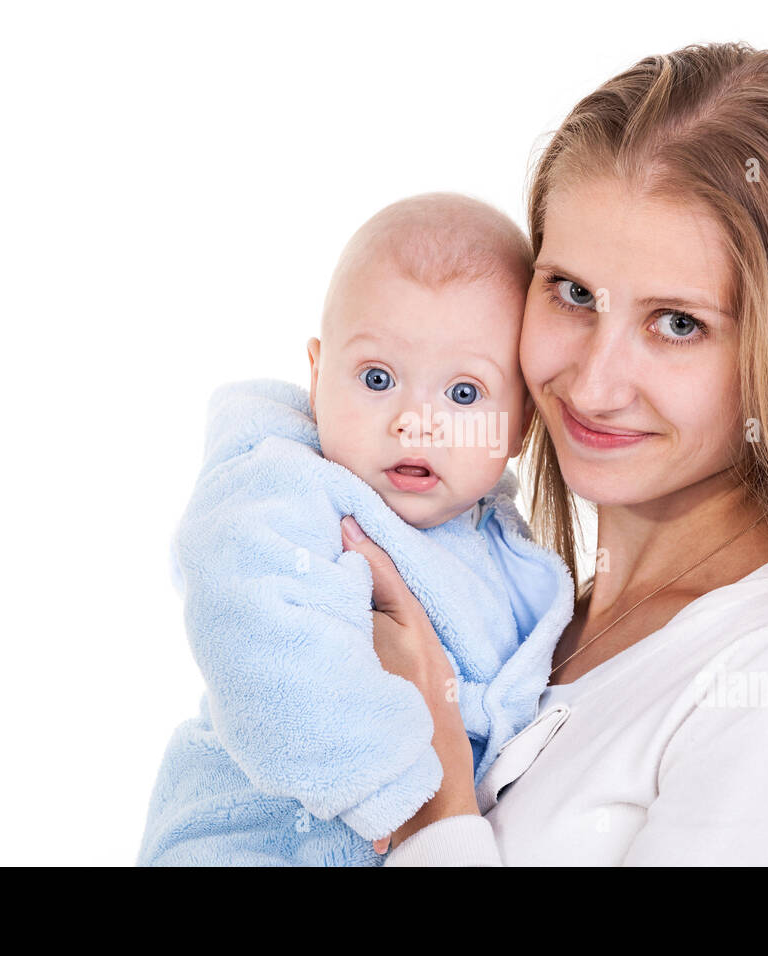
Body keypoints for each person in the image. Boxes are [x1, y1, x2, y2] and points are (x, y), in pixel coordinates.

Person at [343, 42, 768, 866]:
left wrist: (428, 799)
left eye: (677, 323)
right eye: (573, 293)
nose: (595, 383)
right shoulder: (523, 620)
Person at [135, 193, 576, 866]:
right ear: (315, 378)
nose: (413, 422)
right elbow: (257, 629)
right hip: (258, 840)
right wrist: (384, 780)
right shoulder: (284, 489)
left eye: (463, 394)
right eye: (377, 378)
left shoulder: (503, 544)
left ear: (520, 425)